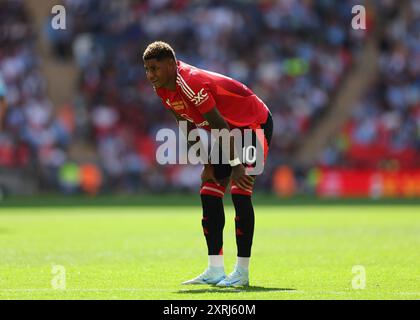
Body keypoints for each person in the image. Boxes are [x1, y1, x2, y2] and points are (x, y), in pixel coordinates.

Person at [143, 41, 272, 287]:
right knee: (209, 192)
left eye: (155, 69)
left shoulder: (190, 83)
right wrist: (207, 164)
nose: (151, 75)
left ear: (171, 65)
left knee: (240, 192)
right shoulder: (162, 89)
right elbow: (185, 125)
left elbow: (220, 125)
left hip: (253, 124)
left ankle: (242, 273)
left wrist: (236, 166)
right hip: (229, 133)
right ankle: (215, 269)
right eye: (147, 69)